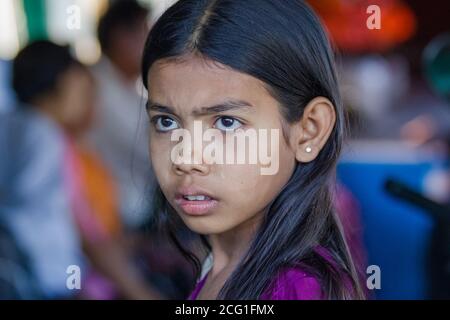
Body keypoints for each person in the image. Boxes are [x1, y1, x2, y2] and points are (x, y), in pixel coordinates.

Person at [141, 0, 366, 299]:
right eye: (167, 122)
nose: (186, 158)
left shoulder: (299, 289)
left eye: (227, 122)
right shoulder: (222, 267)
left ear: (309, 129)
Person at [88, 0, 154, 228]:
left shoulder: (124, 87)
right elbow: (150, 150)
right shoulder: (99, 88)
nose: (151, 44)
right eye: (145, 33)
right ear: (120, 38)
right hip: (121, 213)